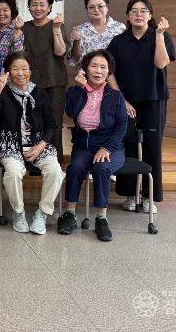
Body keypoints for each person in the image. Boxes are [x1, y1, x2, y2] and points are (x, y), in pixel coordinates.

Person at [107, 0, 176, 214]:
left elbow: (161, 63)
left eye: (143, 11)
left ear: (150, 15)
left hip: (153, 100)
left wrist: (159, 35)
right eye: (134, 11)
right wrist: (122, 100)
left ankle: (149, 196)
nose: (139, 14)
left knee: (152, 148)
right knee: (127, 145)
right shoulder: (119, 41)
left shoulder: (161, 36)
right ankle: (129, 194)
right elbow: (109, 72)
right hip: (126, 102)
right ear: (127, 16)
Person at [0, 51, 63, 235]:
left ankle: (42, 213)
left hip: (38, 144)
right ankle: (18, 213)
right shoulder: (3, 92)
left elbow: (51, 125)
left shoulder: (40, 93)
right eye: (15, 69)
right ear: (7, 71)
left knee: (55, 171)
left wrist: (41, 145)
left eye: (24, 68)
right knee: (13, 172)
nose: (21, 73)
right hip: (10, 144)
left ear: (30, 71)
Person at [58, 50, 128, 242]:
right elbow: (71, 112)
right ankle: (70, 214)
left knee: (102, 168)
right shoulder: (75, 91)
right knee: (75, 167)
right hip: (84, 145)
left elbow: (122, 126)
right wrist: (80, 89)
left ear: (108, 72)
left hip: (110, 146)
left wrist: (107, 148)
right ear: (85, 69)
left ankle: (101, 218)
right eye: (94, 66)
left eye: (103, 67)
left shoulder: (116, 96)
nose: (98, 71)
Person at [20, 0, 67, 161]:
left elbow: (60, 52)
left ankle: (54, 161)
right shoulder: (24, 27)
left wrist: (56, 29)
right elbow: (18, 54)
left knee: (54, 123)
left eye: (42, 4)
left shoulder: (57, 25)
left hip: (54, 82)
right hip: (30, 84)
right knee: (32, 122)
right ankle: (34, 161)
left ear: (49, 7)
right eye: (34, 4)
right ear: (29, 7)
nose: (38, 8)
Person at [67, 0, 126, 66]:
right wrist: (77, 41)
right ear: (87, 9)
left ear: (107, 7)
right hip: (87, 73)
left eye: (100, 6)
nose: (96, 10)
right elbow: (75, 58)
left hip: (114, 73)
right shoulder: (79, 30)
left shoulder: (120, 28)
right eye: (91, 7)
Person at [0, 0, 25, 65]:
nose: (1, 13)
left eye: (5, 10)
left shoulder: (17, 32)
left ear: (12, 13)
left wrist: (16, 31)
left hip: (8, 71)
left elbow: (18, 56)